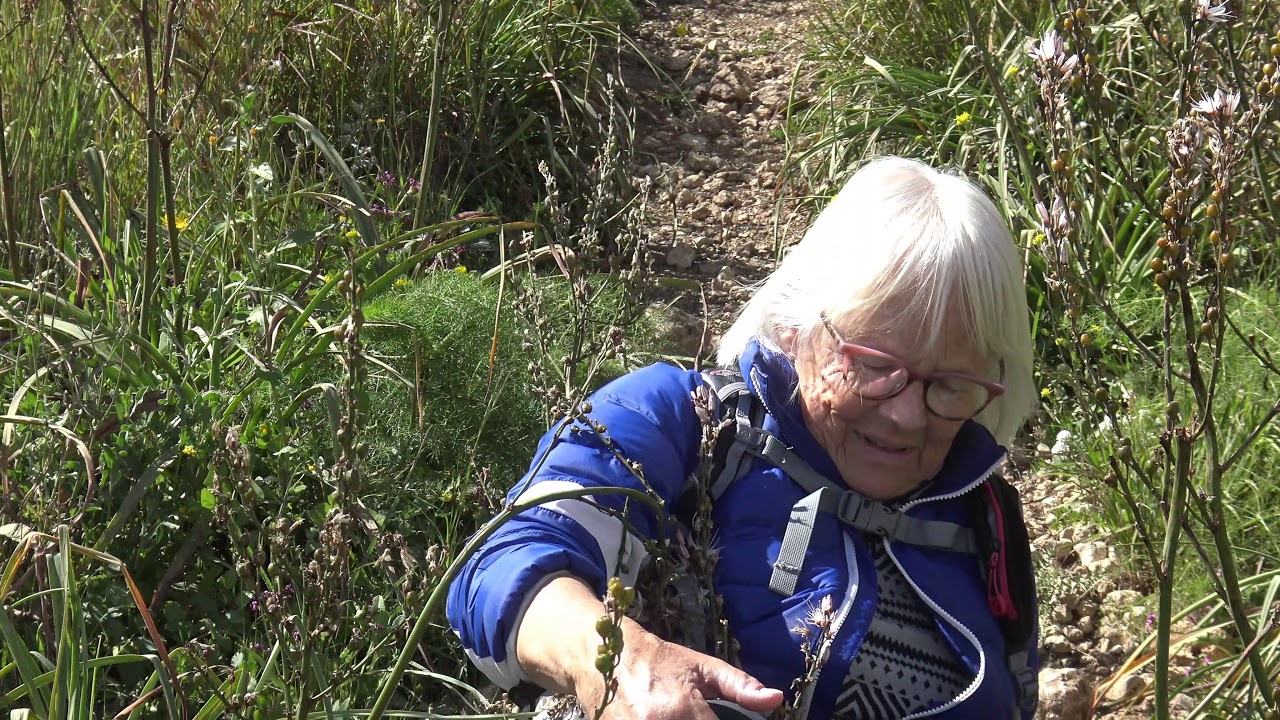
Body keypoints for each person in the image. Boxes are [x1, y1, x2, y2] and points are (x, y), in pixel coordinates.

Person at [446, 156, 1040, 720]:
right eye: (873, 366)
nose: (909, 415)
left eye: (951, 386)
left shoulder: (983, 520)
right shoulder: (684, 423)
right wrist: (620, 663)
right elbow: (501, 564)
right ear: (796, 324)